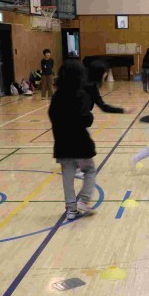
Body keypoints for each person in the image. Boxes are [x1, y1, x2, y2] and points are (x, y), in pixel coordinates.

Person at [49, 60, 96, 220]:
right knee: (89, 170)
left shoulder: (57, 96)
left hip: (62, 143)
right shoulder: (81, 95)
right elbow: (86, 119)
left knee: (67, 177)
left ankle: (71, 209)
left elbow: (52, 116)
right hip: (80, 143)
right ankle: (83, 200)